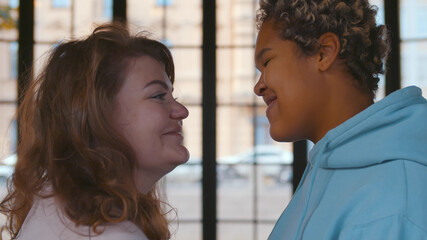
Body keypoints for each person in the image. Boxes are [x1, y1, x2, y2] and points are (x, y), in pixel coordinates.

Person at [253, 0, 427, 239]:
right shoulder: (329, 169)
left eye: (267, 62)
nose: (258, 86)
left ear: (324, 53)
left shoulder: (390, 202)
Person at [0, 23, 189, 240]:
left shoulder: (53, 204)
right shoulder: (112, 235)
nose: (181, 111)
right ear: (95, 114)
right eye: (158, 96)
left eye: (173, 96)